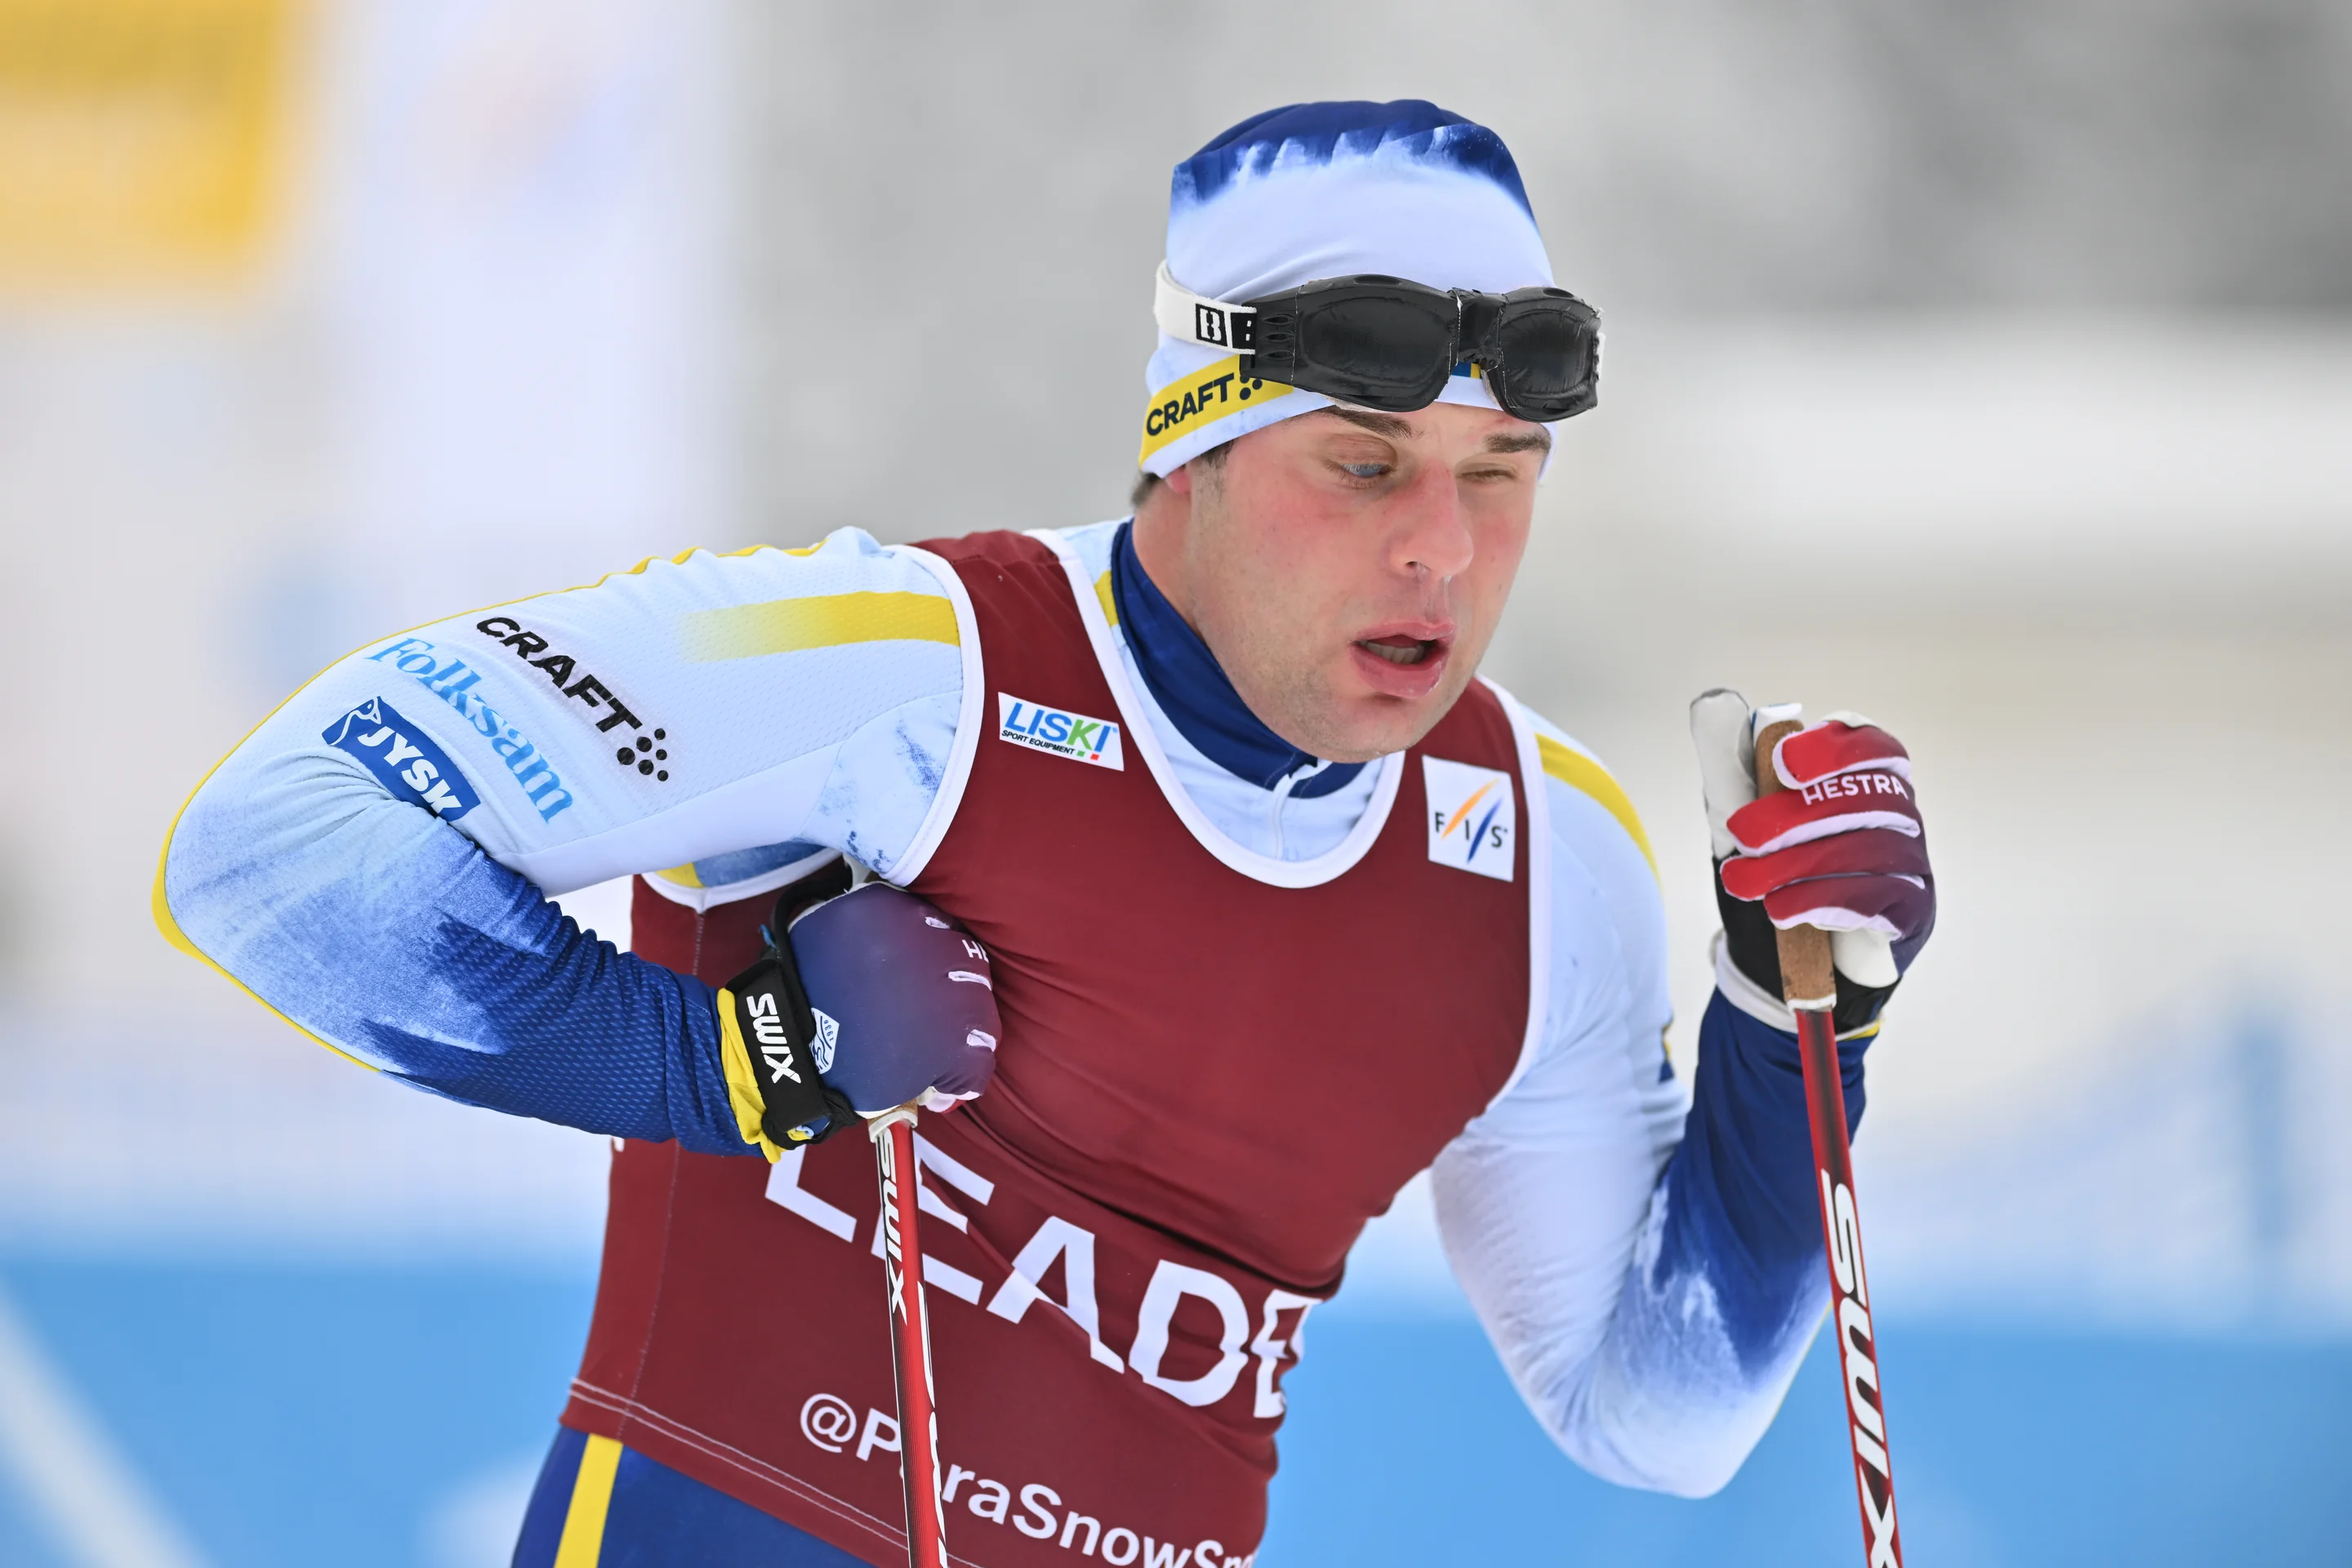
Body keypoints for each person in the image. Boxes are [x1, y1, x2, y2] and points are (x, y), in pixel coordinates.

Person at [155, 100, 1936, 1567]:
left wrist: (1800, 1023)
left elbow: (1659, 1416)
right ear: (1195, 448)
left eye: (1500, 477)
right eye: (1367, 466)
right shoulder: (895, 668)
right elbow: (271, 848)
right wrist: (731, 1064)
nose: (1442, 553)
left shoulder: (1545, 854)